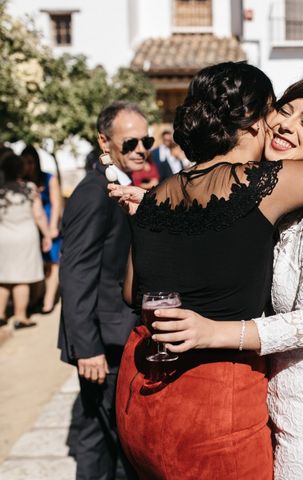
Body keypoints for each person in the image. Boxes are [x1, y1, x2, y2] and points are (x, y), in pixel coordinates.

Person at [113, 63, 303, 479]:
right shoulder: (265, 185)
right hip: (215, 399)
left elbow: (131, 292)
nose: (278, 124)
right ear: (252, 122)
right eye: (275, 111)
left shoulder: (156, 195)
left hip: (141, 391)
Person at [58, 101, 150, 480]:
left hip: (113, 333)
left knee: (101, 434)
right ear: (104, 142)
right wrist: (89, 347)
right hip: (103, 340)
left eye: (146, 141)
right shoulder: (93, 193)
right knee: (105, 440)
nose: (142, 149)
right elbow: (76, 272)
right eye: (130, 143)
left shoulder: (117, 186)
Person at [0, 151, 51, 328]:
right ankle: (21, 317)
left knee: (4, 278)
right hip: (25, 237)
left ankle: (1, 314)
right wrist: (46, 234)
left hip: (4, 236)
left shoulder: (1, 190)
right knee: (22, 278)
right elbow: (38, 215)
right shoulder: (29, 188)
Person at [21, 145, 63, 313]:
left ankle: (48, 300)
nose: (28, 166)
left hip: (49, 223)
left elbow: (56, 203)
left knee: (53, 262)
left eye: (31, 162)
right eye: (25, 162)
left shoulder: (49, 178)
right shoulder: (21, 182)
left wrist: (52, 227)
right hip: (30, 227)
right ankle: (36, 297)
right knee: (37, 263)